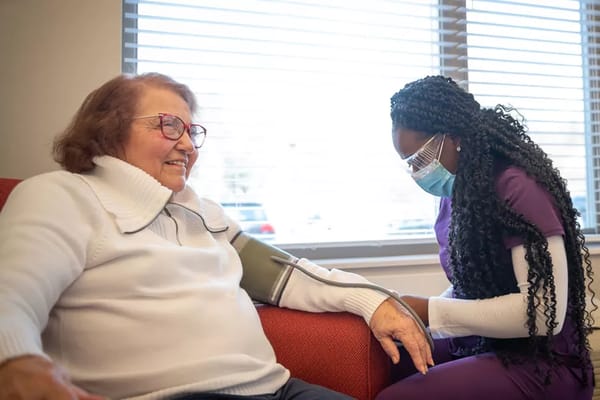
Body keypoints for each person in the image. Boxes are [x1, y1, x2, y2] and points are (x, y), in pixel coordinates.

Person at [0, 72, 433, 400]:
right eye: (169, 126)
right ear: (108, 130)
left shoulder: (202, 212)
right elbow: (11, 293)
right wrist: (18, 361)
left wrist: (372, 301)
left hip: (276, 388)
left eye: (192, 132)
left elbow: (287, 277)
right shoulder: (60, 195)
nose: (188, 145)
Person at [377, 75, 596, 400]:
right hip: (488, 343)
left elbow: (541, 313)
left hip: (544, 363)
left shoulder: (518, 188)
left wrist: (430, 310)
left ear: (453, 138)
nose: (417, 173)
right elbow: (472, 285)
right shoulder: (456, 192)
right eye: (409, 164)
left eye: (420, 159)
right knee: (385, 361)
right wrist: (415, 311)